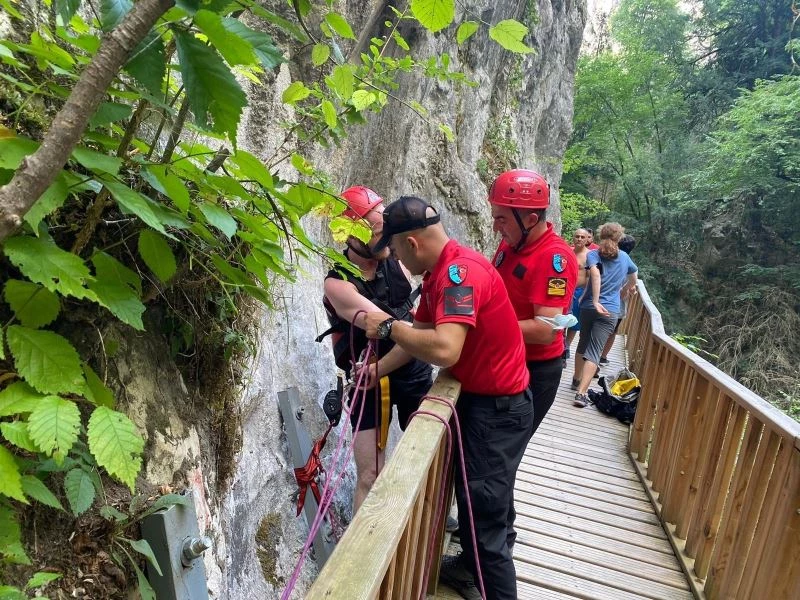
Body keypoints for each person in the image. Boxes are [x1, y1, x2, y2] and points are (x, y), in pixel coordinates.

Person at [362, 196, 531, 600]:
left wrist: (387, 326)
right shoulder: (442, 273)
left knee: (484, 531)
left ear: (411, 243)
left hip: (497, 414)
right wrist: (375, 372)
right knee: (478, 520)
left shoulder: (459, 274)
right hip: (483, 405)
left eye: (395, 248)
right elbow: (419, 335)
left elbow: (444, 350)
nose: (395, 257)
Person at [319, 186, 432, 512]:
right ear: (351, 236)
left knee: (427, 453)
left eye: (387, 231)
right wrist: (426, 333)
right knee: (370, 473)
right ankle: (359, 550)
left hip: (409, 368)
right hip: (367, 379)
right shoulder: (337, 283)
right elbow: (380, 321)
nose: (387, 241)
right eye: (378, 233)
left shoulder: (398, 259)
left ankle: (429, 514)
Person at [488, 170, 578, 436]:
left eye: (501, 219)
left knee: (499, 459)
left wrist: (485, 326)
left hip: (532, 372)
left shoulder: (553, 260)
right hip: (505, 362)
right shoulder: (512, 244)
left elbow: (545, 330)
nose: (496, 227)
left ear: (531, 219)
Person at [571, 223, 638, 408]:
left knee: (583, 342)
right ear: (619, 237)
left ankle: (576, 378)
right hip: (610, 310)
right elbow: (634, 277)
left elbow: (595, 274)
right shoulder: (625, 258)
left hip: (588, 307)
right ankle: (581, 392)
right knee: (595, 350)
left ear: (600, 236)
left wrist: (593, 301)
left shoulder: (593, 254)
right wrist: (625, 289)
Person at [599, 234, 637, 364]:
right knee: (612, 331)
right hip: (619, 304)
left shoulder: (608, 258)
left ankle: (594, 354)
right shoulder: (630, 263)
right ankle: (602, 356)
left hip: (602, 299)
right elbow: (632, 282)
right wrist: (627, 289)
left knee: (599, 327)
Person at [564, 228, 591, 364]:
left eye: (582, 237)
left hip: (579, 292)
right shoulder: (567, 251)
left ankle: (567, 346)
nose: (579, 239)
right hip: (564, 290)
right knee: (562, 320)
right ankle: (561, 347)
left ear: (587, 239)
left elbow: (590, 277)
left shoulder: (590, 256)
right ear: (573, 238)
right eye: (577, 236)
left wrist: (584, 295)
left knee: (574, 323)